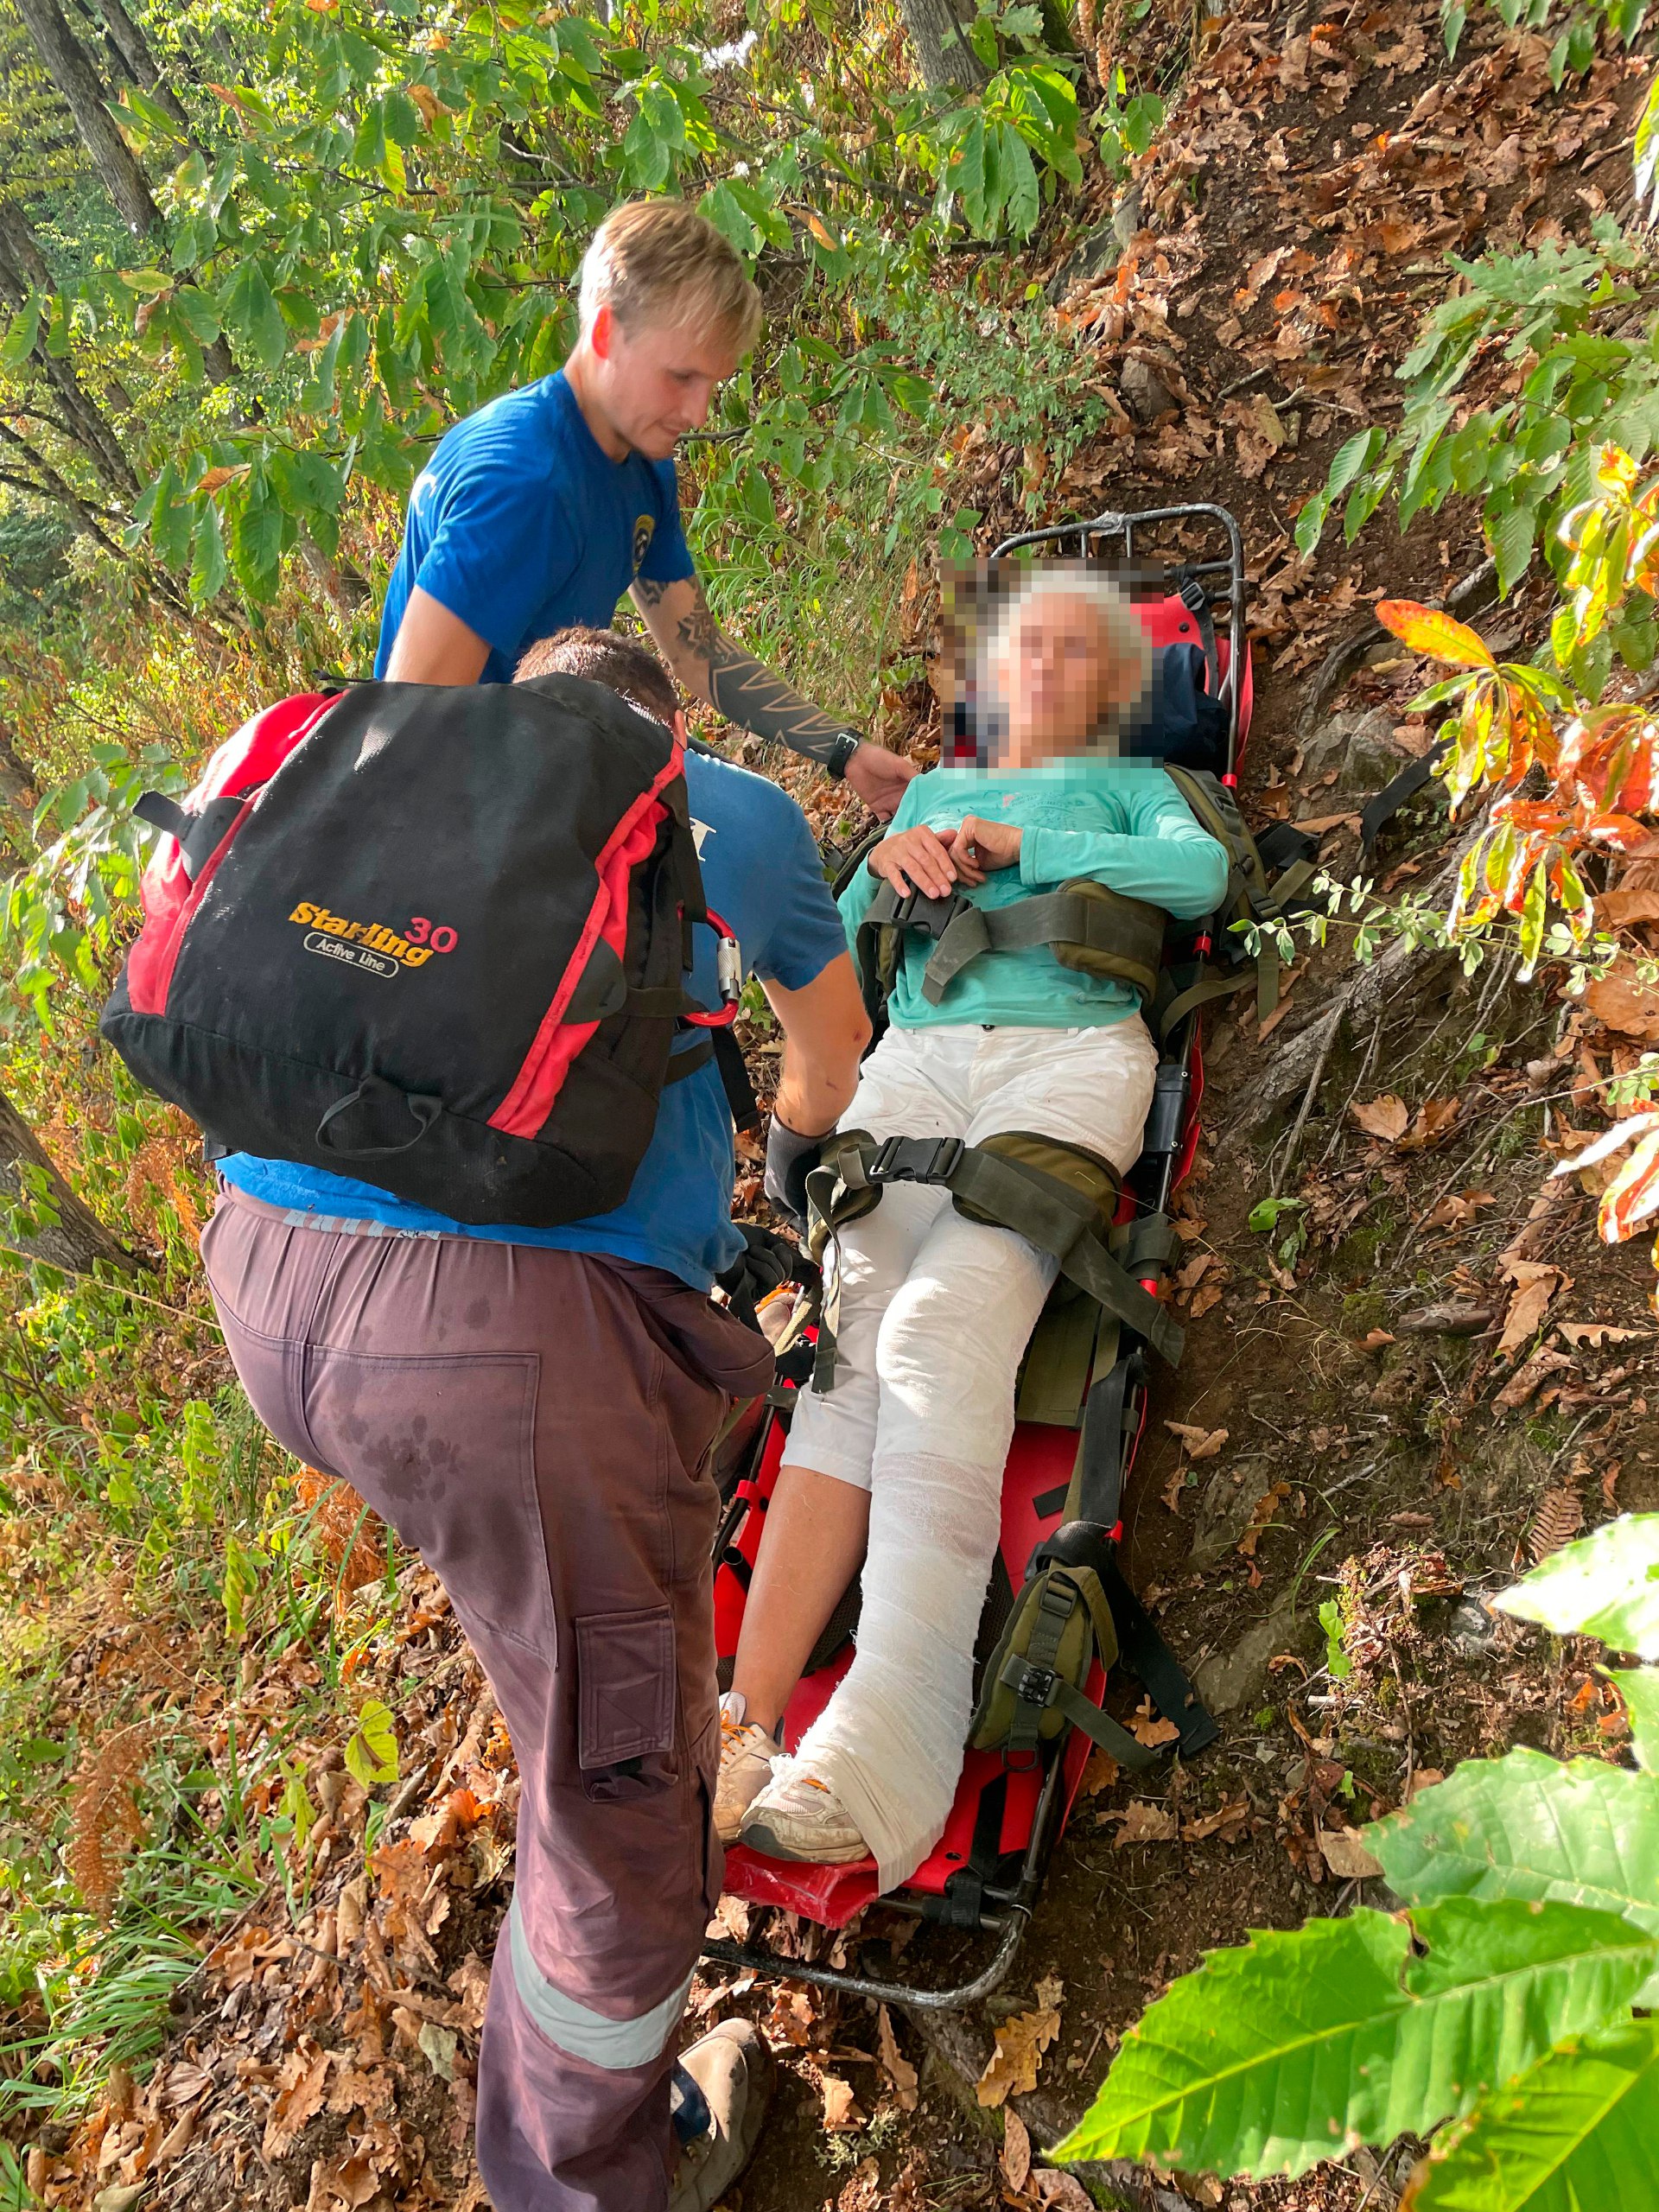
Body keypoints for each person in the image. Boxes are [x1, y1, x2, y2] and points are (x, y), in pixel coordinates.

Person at [200, 628, 871, 2212]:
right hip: (492, 1363)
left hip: (267, 1292)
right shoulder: (733, 816)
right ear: (662, 734)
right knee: (620, 1800)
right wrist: (776, 1183)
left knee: (534, 1605)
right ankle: (579, 2180)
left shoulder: (395, 791)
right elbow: (830, 1062)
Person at [715, 573, 1230, 1891]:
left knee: (945, 1332)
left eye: (1077, 653)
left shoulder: (1133, 787)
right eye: (1028, 650)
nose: (1047, 669)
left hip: (1067, 1063)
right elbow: (817, 977)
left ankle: (890, 1745)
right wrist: (875, 879)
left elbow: (1201, 874)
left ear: (1118, 687)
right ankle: (743, 1728)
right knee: (844, 1351)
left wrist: (1028, 848)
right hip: (920, 1065)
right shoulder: (926, 797)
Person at [376, 196, 917, 819]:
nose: (698, 414)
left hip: (545, 770)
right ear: (605, 333)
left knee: (764, 823)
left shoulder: (638, 462)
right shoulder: (524, 485)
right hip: (468, 816)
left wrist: (843, 751)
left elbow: (699, 652)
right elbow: (408, 725)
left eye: (714, 384)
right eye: (681, 378)